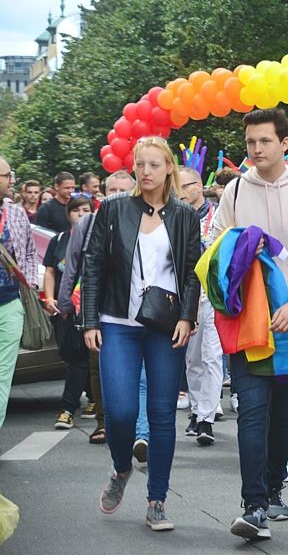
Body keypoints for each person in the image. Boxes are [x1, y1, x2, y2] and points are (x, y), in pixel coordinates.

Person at [211, 108, 288, 540]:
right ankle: (254, 504)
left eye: (264, 141)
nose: (256, 150)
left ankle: (275, 487)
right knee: (252, 413)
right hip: (249, 323)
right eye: (249, 143)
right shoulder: (237, 190)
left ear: (284, 143)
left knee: (285, 417)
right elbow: (216, 246)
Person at [82, 136, 201, 531]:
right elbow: (93, 266)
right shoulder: (114, 208)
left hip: (165, 326)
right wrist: (91, 321)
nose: (146, 172)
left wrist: (187, 316)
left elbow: (190, 270)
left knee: (162, 415)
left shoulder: (185, 215)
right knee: (120, 410)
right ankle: (120, 468)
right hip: (118, 322)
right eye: (140, 165)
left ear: (169, 167)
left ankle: (157, 500)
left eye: (154, 164)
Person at [59, 171, 137, 445]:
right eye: (111, 189)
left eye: (122, 189)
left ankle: (137, 428)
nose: (116, 194)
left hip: (136, 307)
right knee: (98, 366)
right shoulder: (88, 223)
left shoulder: (145, 219)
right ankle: (104, 423)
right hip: (99, 306)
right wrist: (65, 301)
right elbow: (73, 265)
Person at [179, 167, 223, 445]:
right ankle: (197, 410)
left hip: (215, 294)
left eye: (184, 187)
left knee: (212, 356)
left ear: (197, 186)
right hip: (187, 295)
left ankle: (207, 417)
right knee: (192, 357)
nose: (179, 193)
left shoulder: (218, 214)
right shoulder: (175, 217)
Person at [44, 196, 94, 430]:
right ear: (69, 213)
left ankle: (67, 408)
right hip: (65, 307)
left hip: (89, 307)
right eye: (77, 210)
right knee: (69, 353)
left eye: (87, 209)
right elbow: (51, 271)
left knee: (80, 358)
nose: (81, 214)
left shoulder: (97, 238)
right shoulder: (60, 240)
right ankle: (93, 397)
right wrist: (51, 298)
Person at [0, 157, 38, 431]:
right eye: (6, 175)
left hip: (11, 302)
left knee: (2, 375)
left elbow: (29, 251)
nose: (11, 180)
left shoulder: (15, 212)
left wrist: (30, 287)